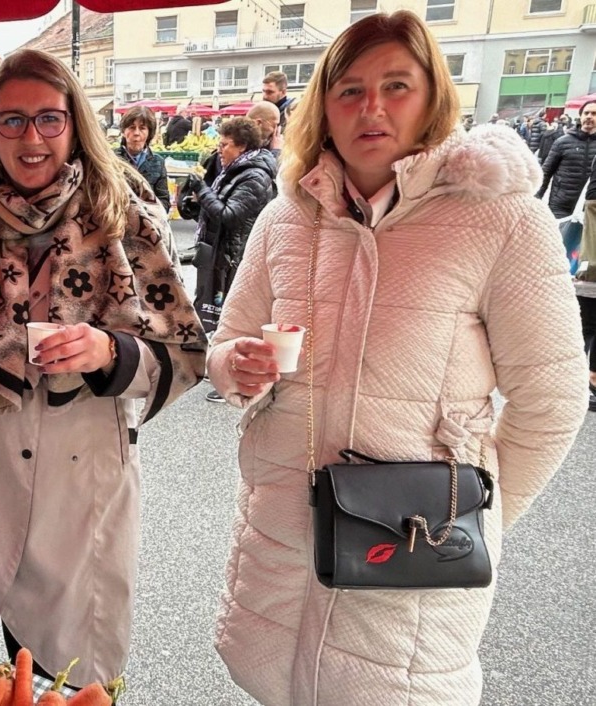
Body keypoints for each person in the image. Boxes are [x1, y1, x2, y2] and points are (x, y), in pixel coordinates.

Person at [209, 12, 588, 705]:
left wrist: (470, 515)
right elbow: (227, 344)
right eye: (349, 90)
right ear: (323, 105)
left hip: (412, 551)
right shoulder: (286, 217)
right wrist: (236, 367)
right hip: (282, 542)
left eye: (396, 86)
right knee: (273, 684)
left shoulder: (500, 217)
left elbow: (551, 399)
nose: (371, 108)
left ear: (433, 96)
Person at [0, 48, 205, 686]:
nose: (32, 138)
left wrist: (110, 353)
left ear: (75, 124)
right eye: (12, 120)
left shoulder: (125, 215)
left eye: (49, 118)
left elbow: (184, 353)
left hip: (80, 476)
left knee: (73, 668)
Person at [181, 117, 276, 403]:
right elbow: (214, 210)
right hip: (219, 254)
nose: (219, 150)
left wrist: (202, 190)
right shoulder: (232, 172)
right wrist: (192, 202)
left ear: (242, 146)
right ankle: (213, 366)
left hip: (235, 257)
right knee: (209, 310)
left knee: (231, 319)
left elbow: (229, 215)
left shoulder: (255, 176)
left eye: (224, 145)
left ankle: (233, 380)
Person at [538, 101, 596, 218]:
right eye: (586, 113)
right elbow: (546, 172)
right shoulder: (562, 142)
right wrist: (536, 198)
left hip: (590, 207)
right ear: (580, 116)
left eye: (594, 113)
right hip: (561, 205)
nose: (589, 116)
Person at [114, 105, 170, 212]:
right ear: (123, 131)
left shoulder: (158, 162)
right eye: (132, 127)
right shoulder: (111, 160)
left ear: (149, 133)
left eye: (142, 128)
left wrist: (147, 213)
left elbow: (164, 201)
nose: (136, 133)